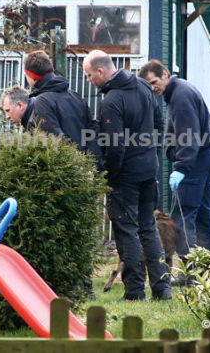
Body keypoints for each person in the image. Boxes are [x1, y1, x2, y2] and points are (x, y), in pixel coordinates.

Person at [82, 50, 171, 301]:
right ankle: (162, 288)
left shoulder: (112, 100)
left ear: (101, 71)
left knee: (127, 231)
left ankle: (134, 291)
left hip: (126, 176)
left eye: (89, 75)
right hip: (148, 171)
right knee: (148, 228)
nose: (89, 80)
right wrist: (151, 154)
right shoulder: (143, 87)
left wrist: (109, 174)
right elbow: (159, 125)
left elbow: (115, 146)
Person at [138, 59, 210, 264]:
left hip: (194, 160)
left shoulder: (180, 96)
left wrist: (182, 167)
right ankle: (208, 267)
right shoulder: (180, 89)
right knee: (202, 214)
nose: (152, 88)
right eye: (148, 85)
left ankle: (190, 271)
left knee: (183, 215)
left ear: (165, 74)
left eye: (154, 82)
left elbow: (189, 136)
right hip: (204, 154)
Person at [23, 50, 102, 162]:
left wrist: (74, 165)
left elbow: (54, 139)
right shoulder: (76, 96)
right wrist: (91, 164)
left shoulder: (42, 101)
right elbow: (92, 133)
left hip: (64, 168)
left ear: (30, 76)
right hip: (85, 167)